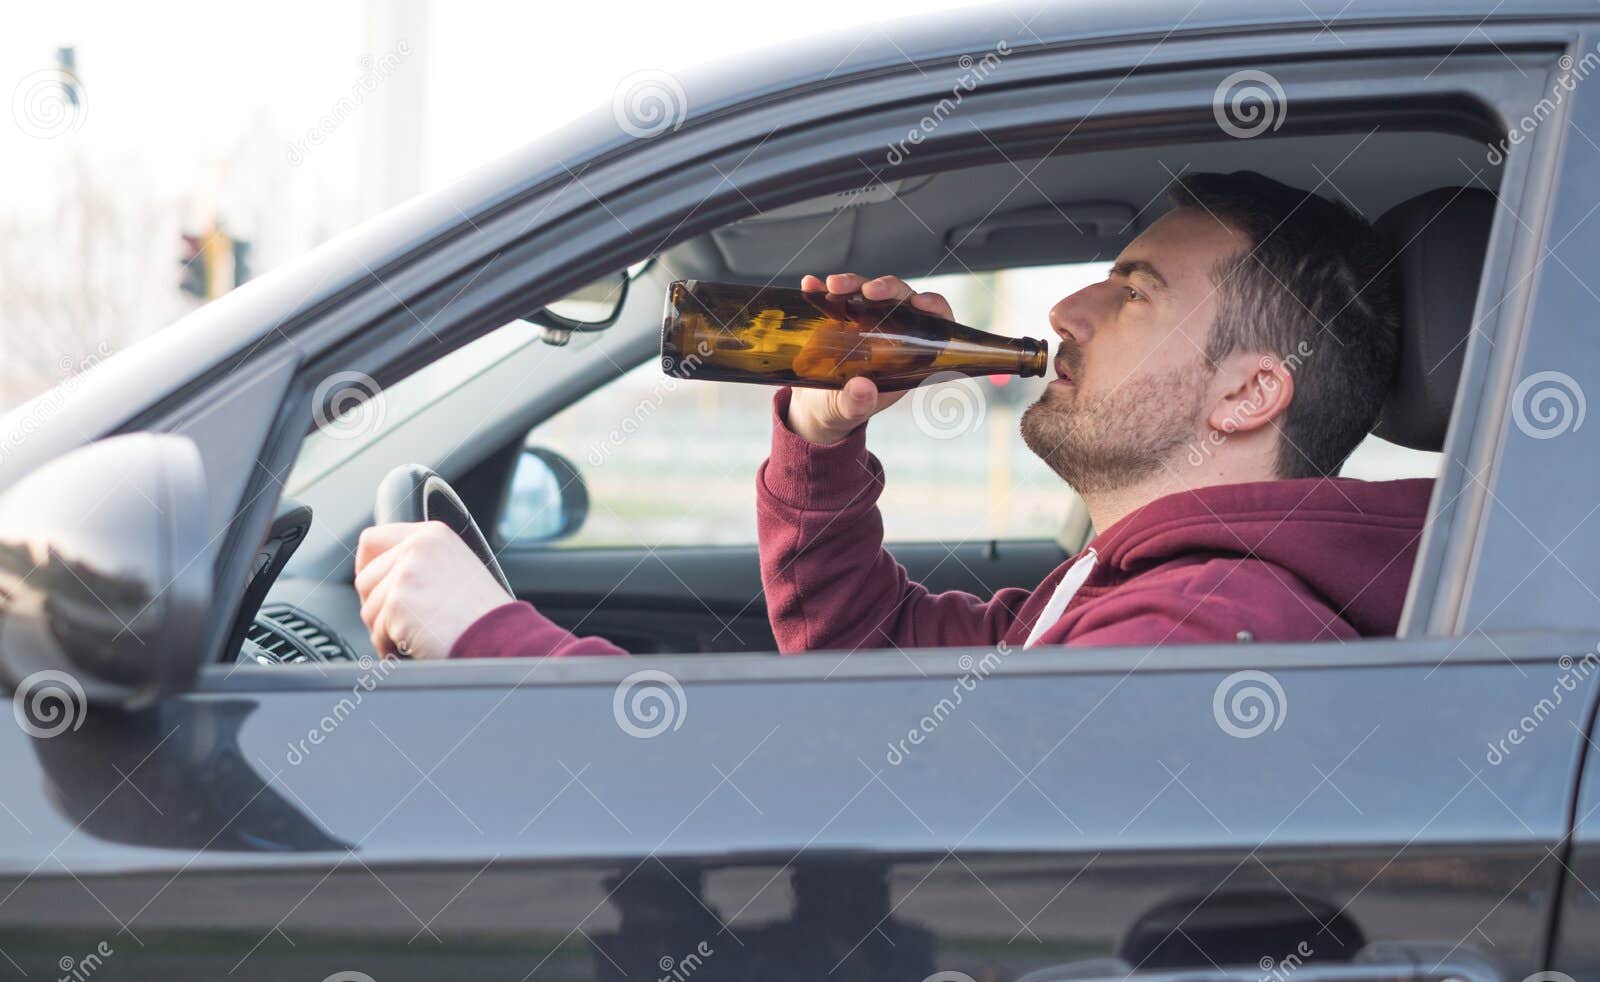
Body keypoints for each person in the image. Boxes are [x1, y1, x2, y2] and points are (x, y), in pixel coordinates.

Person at [354, 171, 1432, 661]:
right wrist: (821, 440)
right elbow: (866, 652)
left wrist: (491, 639)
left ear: (1250, 392)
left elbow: (816, 810)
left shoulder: (1200, 627)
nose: (1066, 311)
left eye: (1134, 291)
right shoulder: (1122, 590)